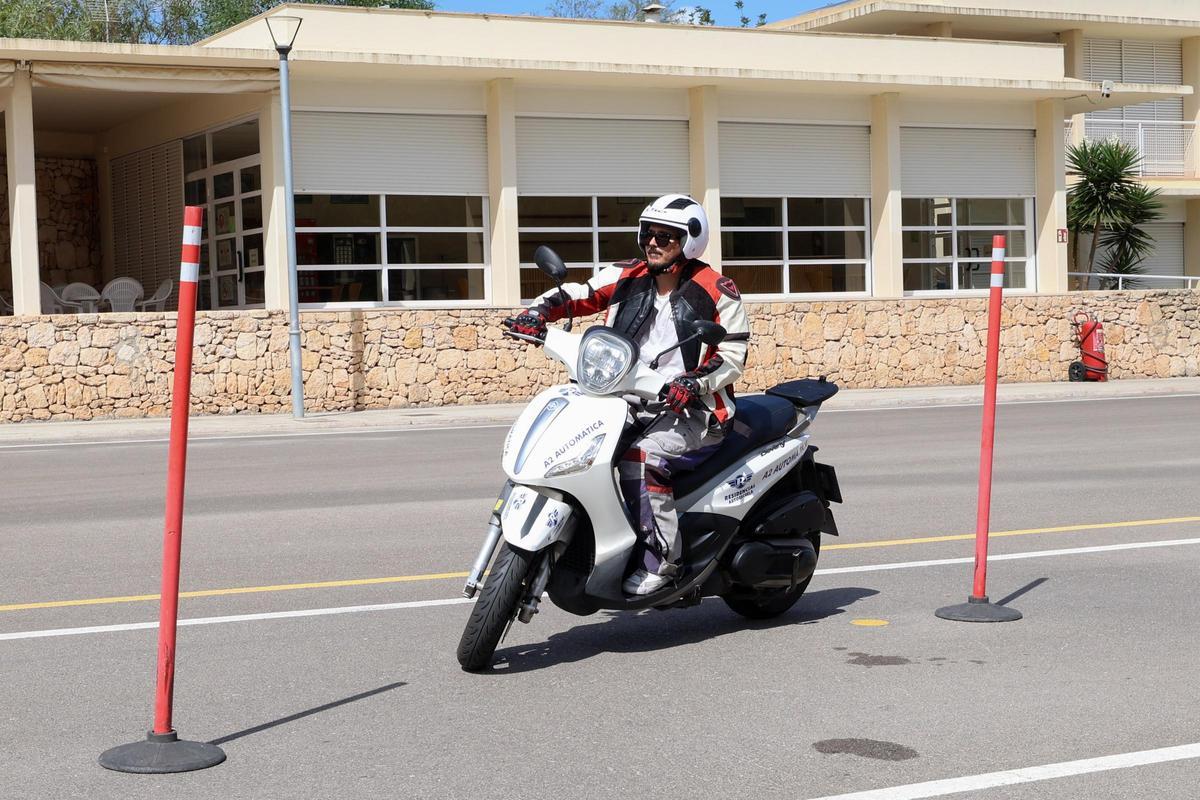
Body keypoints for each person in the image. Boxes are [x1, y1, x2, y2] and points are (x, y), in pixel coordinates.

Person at [511, 194, 750, 595]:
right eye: (648, 234)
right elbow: (576, 293)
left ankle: (663, 560)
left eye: (666, 236)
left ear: (689, 241)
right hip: (616, 399)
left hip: (690, 410)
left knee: (643, 456)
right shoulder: (626, 275)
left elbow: (732, 354)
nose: (653, 243)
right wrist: (536, 313)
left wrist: (693, 382)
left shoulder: (716, 289)